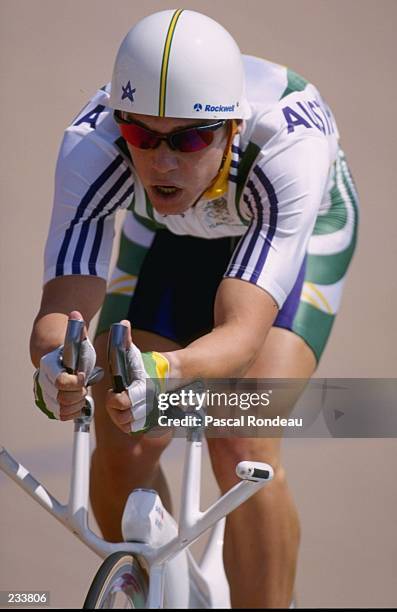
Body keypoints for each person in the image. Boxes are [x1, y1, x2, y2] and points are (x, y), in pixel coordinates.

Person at [30, 9, 359, 609]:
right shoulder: (91, 146)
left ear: (231, 128)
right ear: (118, 122)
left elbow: (240, 330)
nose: (162, 161)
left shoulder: (288, 150)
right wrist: (57, 362)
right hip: (172, 232)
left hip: (286, 230)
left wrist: (169, 374)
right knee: (122, 432)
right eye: (142, 137)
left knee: (242, 435)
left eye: (190, 137)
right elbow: (62, 304)